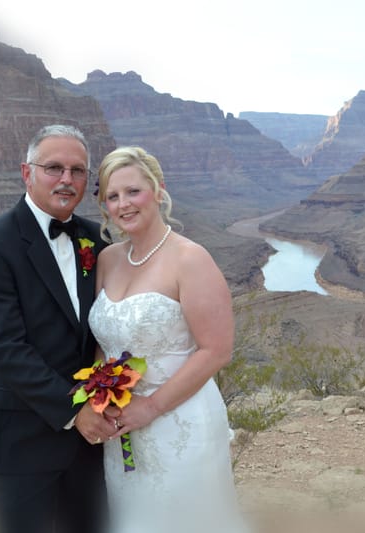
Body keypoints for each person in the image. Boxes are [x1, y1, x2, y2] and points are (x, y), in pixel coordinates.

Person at [0, 125, 114, 533]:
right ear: (26, 173)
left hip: (90, 447)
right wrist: (75, 410)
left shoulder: (95, 239)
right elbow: (5, 347)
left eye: (78, 170)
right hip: (21, 443)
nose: (67, 179)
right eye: (54, 168)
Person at [89, 146, 248, 533]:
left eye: (133, 192)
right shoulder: (108, 259)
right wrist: (99, 399)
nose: (123, 204)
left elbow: (217, 349)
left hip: (180, 422)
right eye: (113, 196)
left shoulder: (190, 259)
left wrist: (151, 407)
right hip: (122, 426)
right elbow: (103, 343)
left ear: (158, 191)